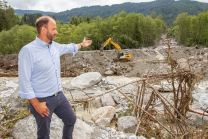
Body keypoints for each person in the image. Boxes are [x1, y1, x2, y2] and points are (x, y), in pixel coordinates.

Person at [18, 15, 92, 139]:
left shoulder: (54, 46)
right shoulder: (28, 51)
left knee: (71, 120)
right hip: (42, 100)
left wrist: (82, 45)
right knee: (43, 134)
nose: (56, 32)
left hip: (59, 96)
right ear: (43, 30)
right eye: (53, 29)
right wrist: (36, 104)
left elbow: (69, 47)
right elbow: (24, 81)